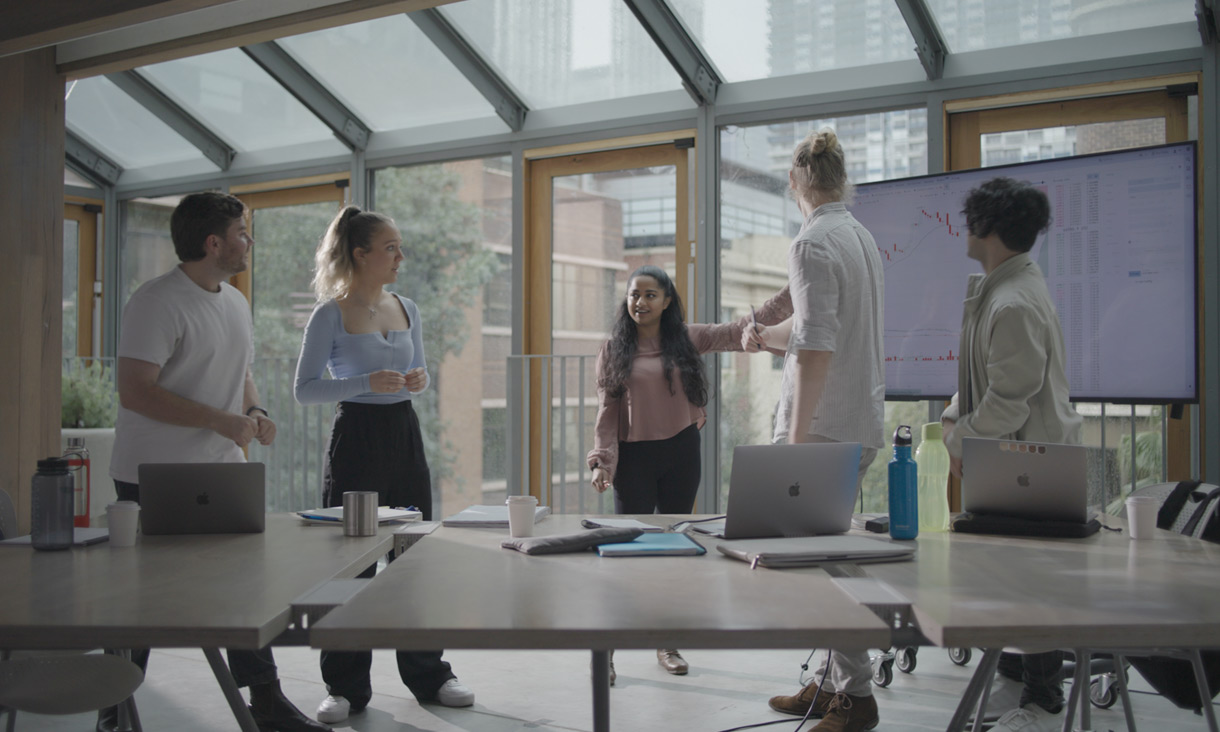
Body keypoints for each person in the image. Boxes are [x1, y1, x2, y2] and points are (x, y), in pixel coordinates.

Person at [104, 192, 326, 732]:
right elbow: (135, 392)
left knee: (243, 587)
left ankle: (266, 702)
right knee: (141, 601)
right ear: (213, 243)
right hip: (150, 473)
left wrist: (254, 409)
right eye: (243, 233)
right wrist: (219, 420)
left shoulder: (233, 301)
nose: (248, 242)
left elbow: (240, 373)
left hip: (221, 466)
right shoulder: (155, 302)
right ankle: (113, 711)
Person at [294, 205, 474, 724]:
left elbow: (416, 372)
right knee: (350, 566)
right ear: (361, 253)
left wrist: (420, 381)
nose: (400, 255)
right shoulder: (329, 313)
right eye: (391, 247)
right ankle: (343, 687)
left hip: (404, 436)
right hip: (356, 439)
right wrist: (365, 384)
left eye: (399, 246)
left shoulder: (408, 307)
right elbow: (305, 391)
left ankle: (430, 675)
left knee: (414, 559)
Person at [746, 128, 885, 732]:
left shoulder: (810, 244)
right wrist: (762, 337)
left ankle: (855, 697)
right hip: (858, 422)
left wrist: (795, 448)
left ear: (795, 182)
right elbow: (810, 331)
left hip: (821, 433)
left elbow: (814, 350)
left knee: (825, 568)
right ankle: (833, 685)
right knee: (831, 557)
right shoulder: (859, 238)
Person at [940, 177, 1083, 732]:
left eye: (970, 218)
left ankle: (1044, 701)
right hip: (1017, 457)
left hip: (1034, 462)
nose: (964, 228)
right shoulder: (1000, 287)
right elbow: (986, 381)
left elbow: (1009, 399)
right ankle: (1019, 680)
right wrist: (956, 414)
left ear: (987, 228)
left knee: (1031, 582)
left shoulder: (1014, 299)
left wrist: (958, 438)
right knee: (1011, 576)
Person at [587, 264, 750, 681]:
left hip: (681, 451)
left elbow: (736, 331)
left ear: (667, 300)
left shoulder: (687, 339)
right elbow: (607, 411)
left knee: (675, 551)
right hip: (634, 458)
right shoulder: (614, 348)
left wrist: (793, 292)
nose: (639, 302)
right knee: (627, 556)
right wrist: (602, 461)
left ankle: (666, 641)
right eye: (633, 295)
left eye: (649, 295)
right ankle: (606, 650)